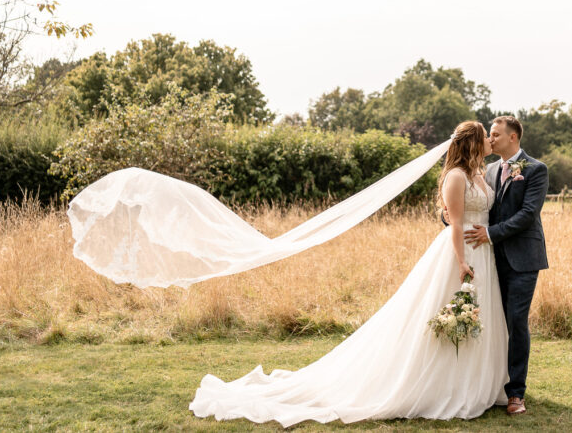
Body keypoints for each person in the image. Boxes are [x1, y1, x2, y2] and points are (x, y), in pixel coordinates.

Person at [188, 120, 511, 426]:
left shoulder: (481, 174)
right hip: (461, 253)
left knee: (478, 315)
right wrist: (460, 261)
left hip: (484, 252)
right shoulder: (455, 176)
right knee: (446, 314)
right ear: (472, 143)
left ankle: (472, 384)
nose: (489, 141)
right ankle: (440, 386)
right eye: (485, 136)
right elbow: (454, 222)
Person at [445, 115, 549, 416]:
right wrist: (452, 220)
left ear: (512, 138)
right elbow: (469, 205)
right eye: (488, 135)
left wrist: (489, 233)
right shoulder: (486, 170)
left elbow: (528, 213)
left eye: (495, 134)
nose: (490, 139)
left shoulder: (535, 169)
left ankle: (516, 393)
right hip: (488, 260)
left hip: (521, 259)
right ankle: (488, 384)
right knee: (491, 322)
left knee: (516, 322)